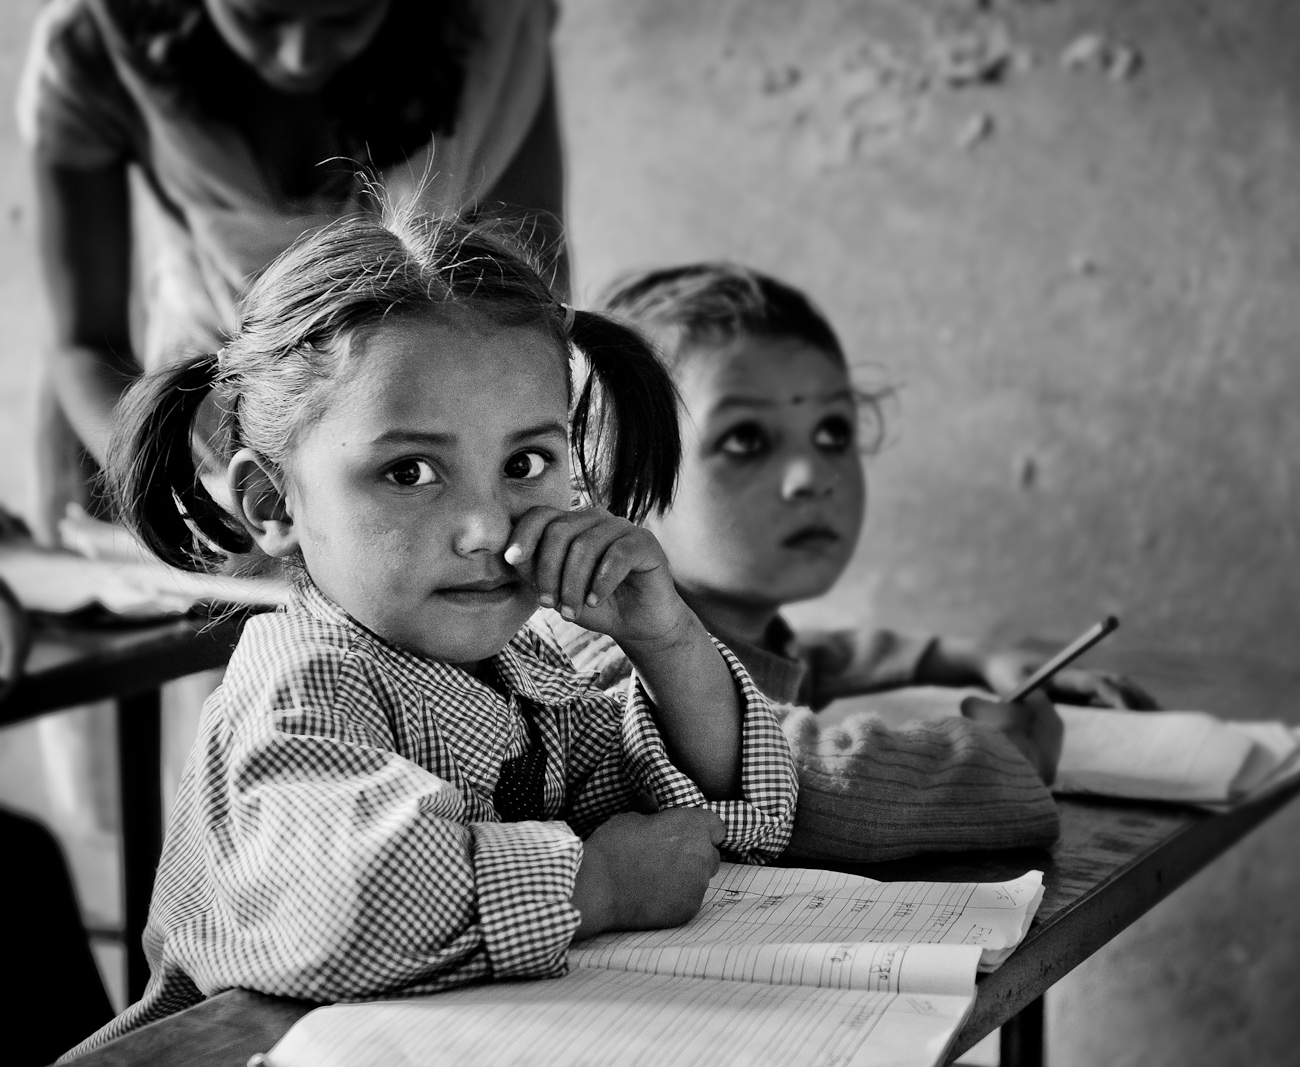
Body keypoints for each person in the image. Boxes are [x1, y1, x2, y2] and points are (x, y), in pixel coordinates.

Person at [65, 209, 796, 1056]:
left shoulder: (525, 669)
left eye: (525, 464)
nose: (486, 525)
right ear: (274, 503)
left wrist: (667, 642)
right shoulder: (302, 680)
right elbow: (349, 904)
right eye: (408, 472)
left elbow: (733, 828)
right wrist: (597, 883)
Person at [556, 262, 1156, 863]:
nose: (813, 475)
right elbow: (799, 783)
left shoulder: (734, 632)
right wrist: (1006, 761)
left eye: (833, 431)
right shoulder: (602, 652)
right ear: (611, 482)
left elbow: (819, 658)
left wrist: (977, 661)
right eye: (746, 439)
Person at [18, 0, 567, 538]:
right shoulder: (96, 44)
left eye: (345, 16)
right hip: (194, 444)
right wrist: (183, 503)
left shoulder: (494, 29)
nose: (300, 56)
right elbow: (86, 343)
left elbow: (531, 301)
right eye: (260, 18)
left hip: (430, 448)